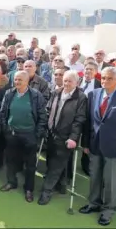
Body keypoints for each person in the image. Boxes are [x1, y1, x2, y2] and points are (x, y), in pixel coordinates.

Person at [80, 67, 116, 226]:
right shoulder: (93, 94)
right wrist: (85, 144)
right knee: (95, 177)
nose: (105, 81)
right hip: (95, 146)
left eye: (110, 78)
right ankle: (93, 204)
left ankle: (108, 210)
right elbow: (89, 122)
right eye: (103, 78)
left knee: (112, 182)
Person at [38, 70, 87, 205]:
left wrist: (73, 137)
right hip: (51, 133)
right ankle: (62, 184)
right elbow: (48, 110)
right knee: (51, 160)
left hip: (66, 136)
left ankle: (46, 191)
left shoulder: (81, 97)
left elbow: (79, 119)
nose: (66, 83)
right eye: (65, 80)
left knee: (56, 164)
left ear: (77, 82)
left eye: (70, 81)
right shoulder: (56, 92)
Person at [0, 70, 47, 203]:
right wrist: (6, 130)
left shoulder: (36, 95)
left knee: (30, 165)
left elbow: (43, 116)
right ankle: (11, 182)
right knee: (10, 161)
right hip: (12, 134)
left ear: (27, 81)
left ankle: (29, 189)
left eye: (20, 79)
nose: (17, 82)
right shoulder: (9, 93)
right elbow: (3, 113)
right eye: (15, 79)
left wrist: (36, 134)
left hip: (29, 135)